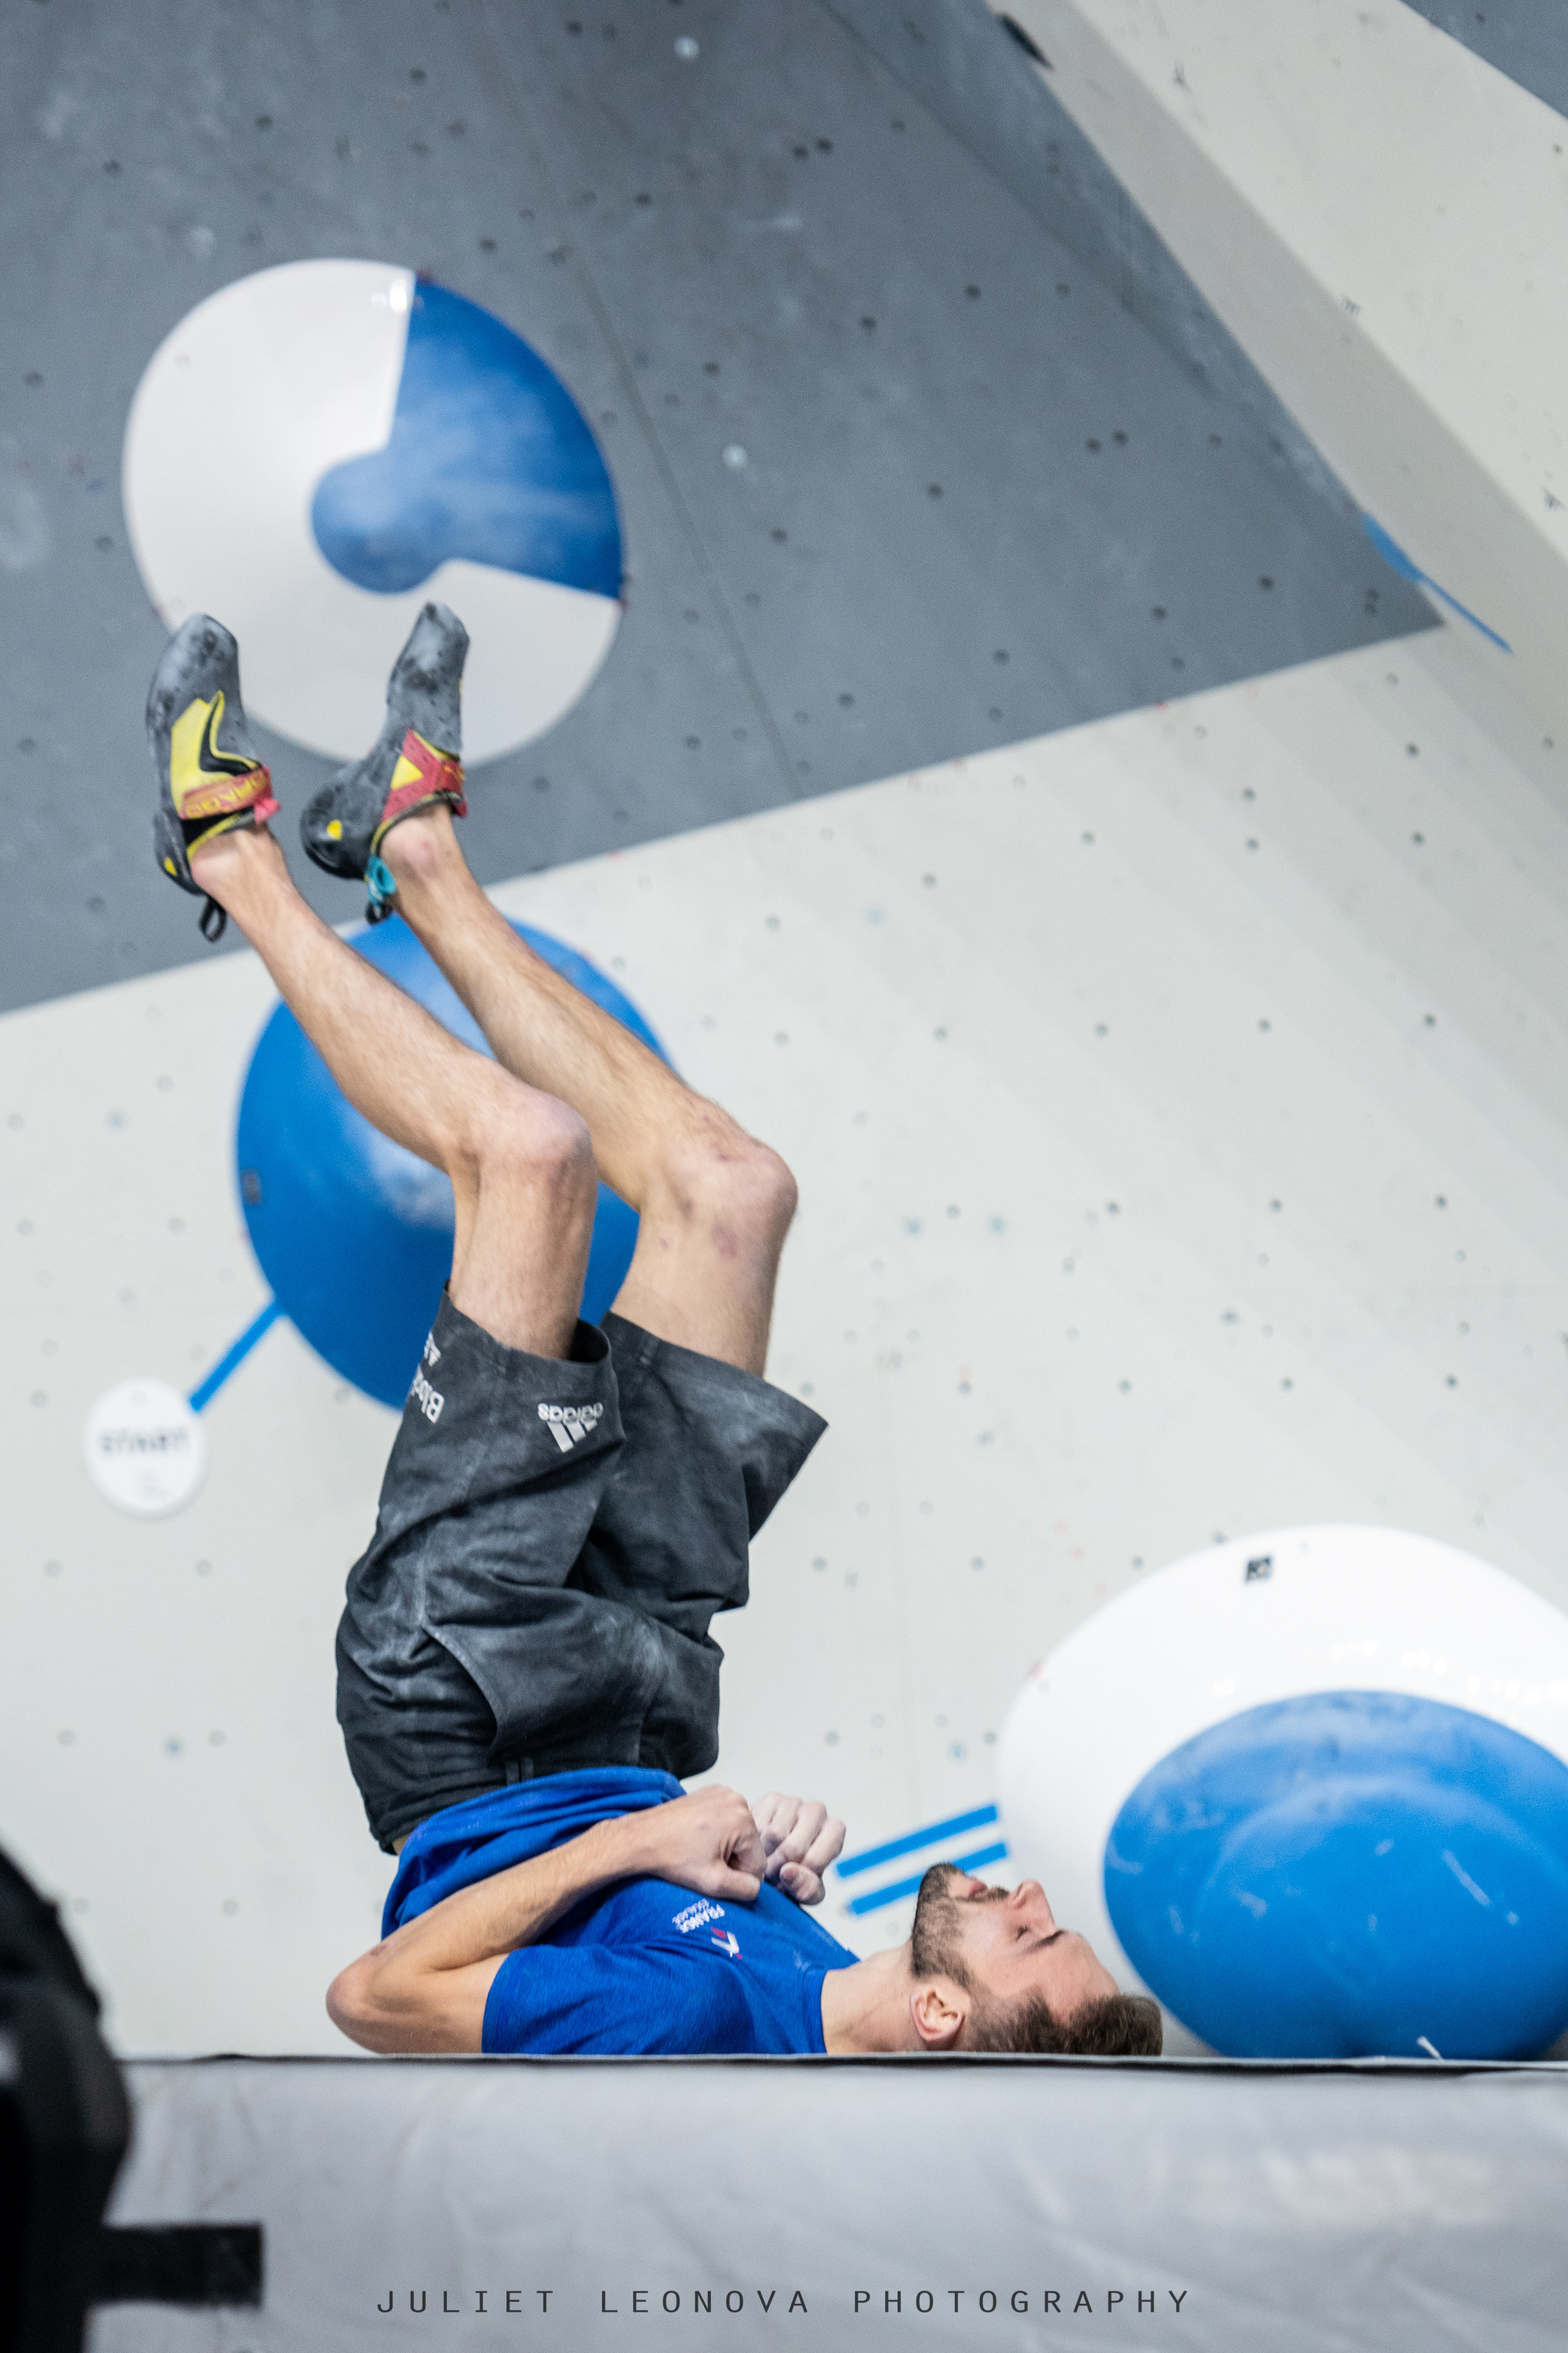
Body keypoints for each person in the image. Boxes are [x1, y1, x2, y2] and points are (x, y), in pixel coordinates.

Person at [145, 605, 1161, 2063]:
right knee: (730, 1194)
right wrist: (733, 1846)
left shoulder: (693, 2031)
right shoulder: (797, 1967)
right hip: (640, 1671)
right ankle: (410, 849)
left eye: (1035, 1938)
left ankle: (226, 851)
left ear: (943, 2014)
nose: (1035, 1899)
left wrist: (641, 1847)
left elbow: (378, 2000)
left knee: (530, 1156)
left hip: (468, 1693)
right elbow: (678, 1880)